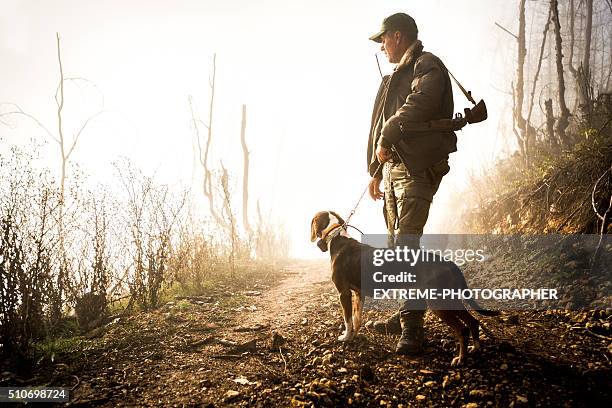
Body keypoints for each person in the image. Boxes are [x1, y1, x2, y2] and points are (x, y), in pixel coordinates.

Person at [366, 12, 457, 354]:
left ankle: (413, 329)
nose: (382, 47)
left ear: (399, 36)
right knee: (396, 247)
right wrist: (376, 170)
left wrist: (388, 134)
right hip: (393, 173)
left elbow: (422, 103)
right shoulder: (395, 77)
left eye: (384, 40)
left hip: (418, 171)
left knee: (406, 245)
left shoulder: (427, 65)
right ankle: (406, 314)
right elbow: (378, 127)